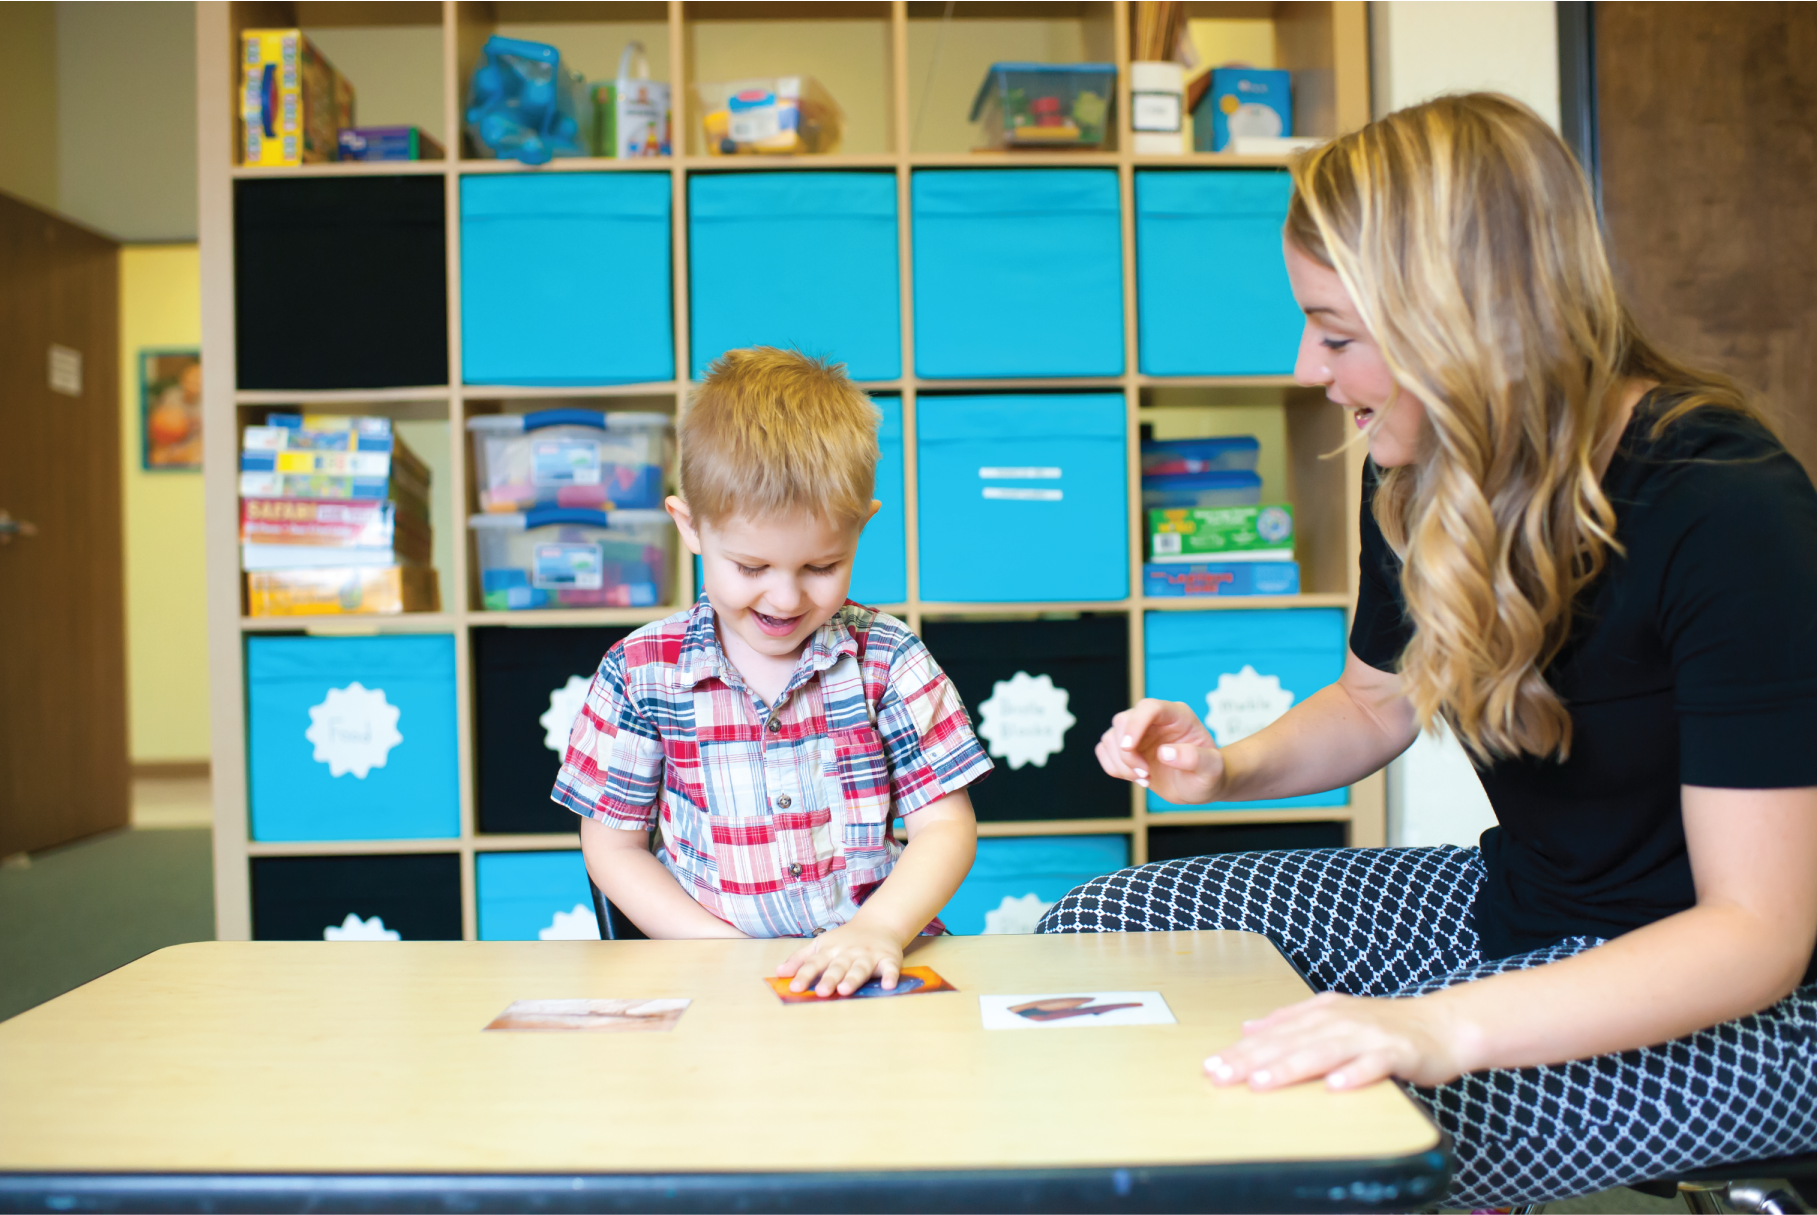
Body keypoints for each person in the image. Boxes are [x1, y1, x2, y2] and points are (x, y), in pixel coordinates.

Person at [1039, 93, 1817, 1206]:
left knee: (1345, 1120)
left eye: (1339, 334)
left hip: (1757, 1010)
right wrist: (1228, 767)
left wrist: (1435, 1025)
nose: (1310, 367)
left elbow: (1754, 935)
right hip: (1522, 909)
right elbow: (1371, 706)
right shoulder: (1414, 466)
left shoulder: (1722, 506)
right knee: (1100, 927)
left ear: (1468, 321)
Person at [553, 347, 990, 997]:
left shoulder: (890, 659)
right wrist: (717, 951)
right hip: (710, 973)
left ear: (860, 527)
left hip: (874, 964)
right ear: (690, 525)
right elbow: (612, 847)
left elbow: (946, 825)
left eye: (820, 567)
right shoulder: (639, 672)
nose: (785, 599)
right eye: (751, 568)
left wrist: (879, 928)